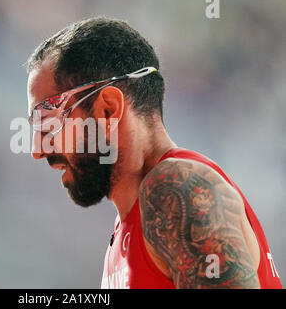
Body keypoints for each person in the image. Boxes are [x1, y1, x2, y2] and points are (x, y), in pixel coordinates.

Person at [25, 16, 282, 289]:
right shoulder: (125, 233)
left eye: (48, 122)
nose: (38, 150)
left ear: (108, 109)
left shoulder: (177, 190)